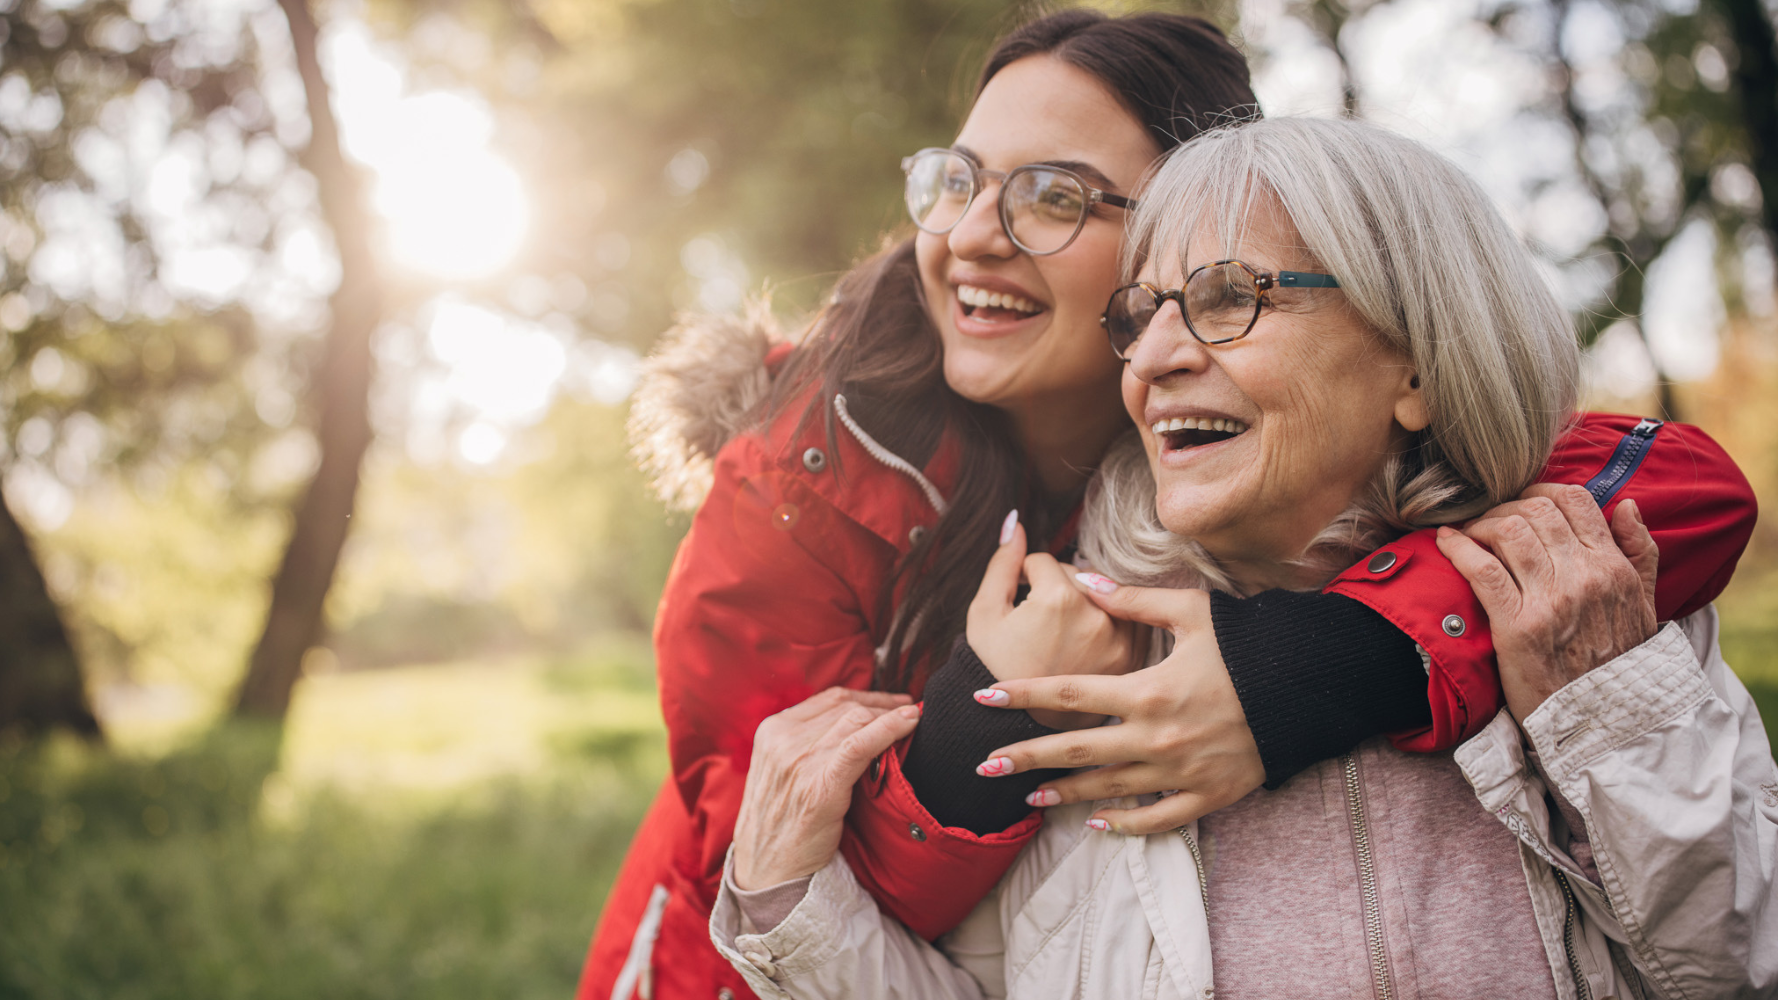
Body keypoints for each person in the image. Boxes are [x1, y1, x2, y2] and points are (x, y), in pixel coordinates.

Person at [582, 13, 1756, 999]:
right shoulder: (813, 482)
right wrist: (977, 721)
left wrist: (1333, 656)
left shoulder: (1455, 540)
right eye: (958, 180)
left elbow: (1669, 485)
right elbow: (797, 874)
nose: (972, 233)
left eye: (1053, 195)